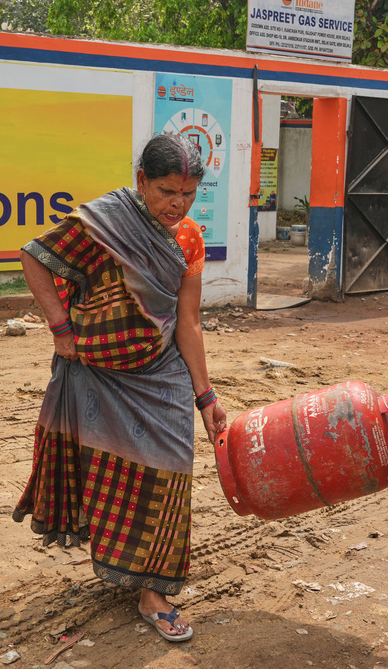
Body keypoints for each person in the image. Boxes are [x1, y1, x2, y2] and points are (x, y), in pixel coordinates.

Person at [12, 133, 227, 643]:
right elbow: (34, 257)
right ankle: (123, 560)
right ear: (141, 183)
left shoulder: (189, 239)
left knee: (172, 471)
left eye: (189, 194)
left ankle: (154, 591)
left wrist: (206, 395)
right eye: (167, 192)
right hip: (100, 375)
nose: (178, 204)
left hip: (163, 372)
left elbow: (188, 321)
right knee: (112, 470)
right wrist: (61, 329)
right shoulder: (104, 225)